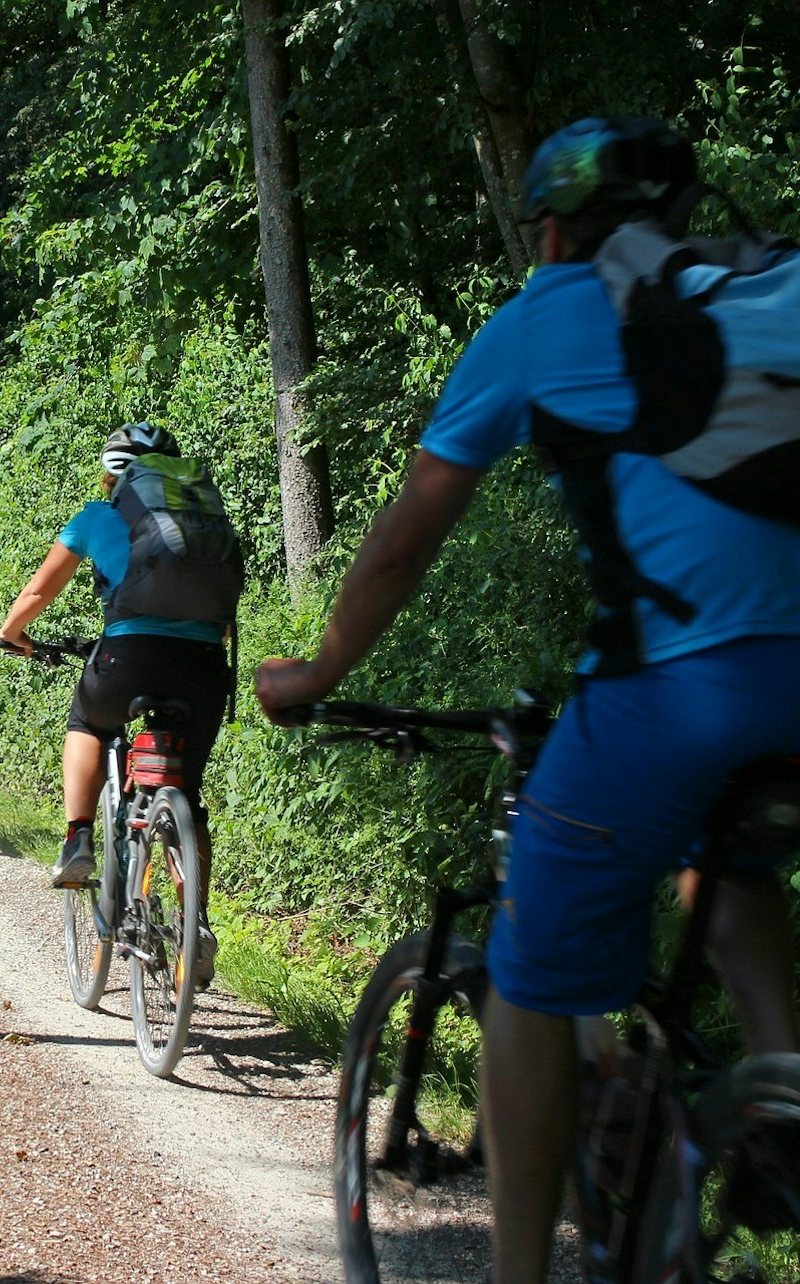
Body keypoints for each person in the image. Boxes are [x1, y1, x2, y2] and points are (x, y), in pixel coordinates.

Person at [254, 117, 800, 1284]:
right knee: (727, 860)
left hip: (675, 691)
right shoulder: (753, 301)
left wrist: (313, 675)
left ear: (549, 226)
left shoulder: (547, 315)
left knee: (530, 973)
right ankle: (780, 1091)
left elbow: (402, 543)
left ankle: (517, 1273)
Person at [0, 422, 233, 987]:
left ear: (112, 474)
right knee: (187, 792)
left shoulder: (98, 517)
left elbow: (39, 591)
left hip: (127, 655)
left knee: (87, 722)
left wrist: (13, 633)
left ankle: (78, 837)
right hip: (203, 665)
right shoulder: (205, 523)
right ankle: (194, 919)